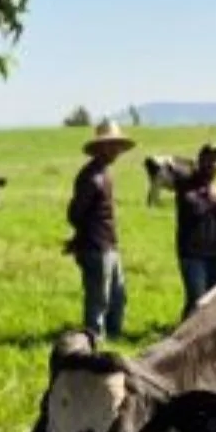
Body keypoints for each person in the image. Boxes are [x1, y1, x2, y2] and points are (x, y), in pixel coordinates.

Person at [65, 121, 133, 340]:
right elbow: (75, 214)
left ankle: (114, 337)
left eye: (117, 145)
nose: (117, 150)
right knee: (98, 299)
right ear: (101, 147)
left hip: (109, 244)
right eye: (112, 145)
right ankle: (94, 340)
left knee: (118, 295)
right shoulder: (91, 177)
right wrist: (85, 239)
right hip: (96, 247)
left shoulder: (104, 173)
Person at [174, 143, 216, 319]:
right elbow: (192, 209)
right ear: (200, 162)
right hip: (193, 255)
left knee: (215, 300)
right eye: (209, 160)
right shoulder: (186, 186)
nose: (213, 164)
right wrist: (211, 199)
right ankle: (186, 332)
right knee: (196, 300)